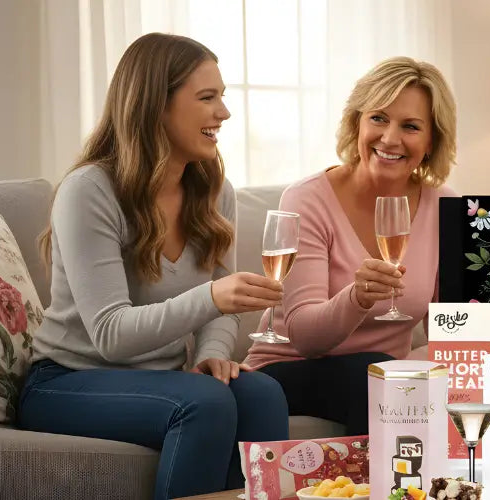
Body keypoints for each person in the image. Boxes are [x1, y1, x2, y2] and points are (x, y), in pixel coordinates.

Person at [17, 33, 290, 500]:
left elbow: (222, 307)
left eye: (222, 97)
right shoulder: (90, 191)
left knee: (261, 393)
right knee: (204, 404)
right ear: (155, 106)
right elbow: (111, 334)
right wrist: (208, 299)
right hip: (68, 381)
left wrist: (213, 354)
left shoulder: (213, 190)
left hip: (165, 379)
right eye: (207, 98)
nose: (223, 112)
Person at [244, 57, 458, 435]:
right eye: (378, 118)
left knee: (404, 380)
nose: (390, 138)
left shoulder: (444, 206)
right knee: (378, 378)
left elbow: (451, 333)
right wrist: (356, 298)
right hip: (288, 369)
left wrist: (419, 365)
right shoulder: (306, 200)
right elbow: (305, 337)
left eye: (410, 126)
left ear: (431, 142)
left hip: (382, 375)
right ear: (356, 122)